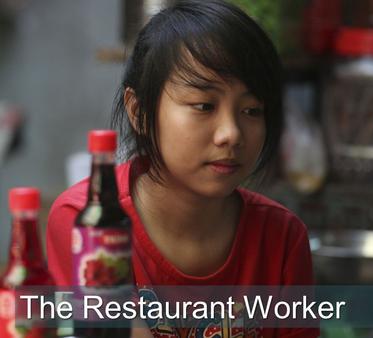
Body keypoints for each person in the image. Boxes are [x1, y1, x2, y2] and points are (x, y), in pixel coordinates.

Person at [46, 1, 319, 337]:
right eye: (204, 106)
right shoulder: (91, 221)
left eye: (251, 111)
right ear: (140, 111)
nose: (231, 134)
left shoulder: (282, 238)